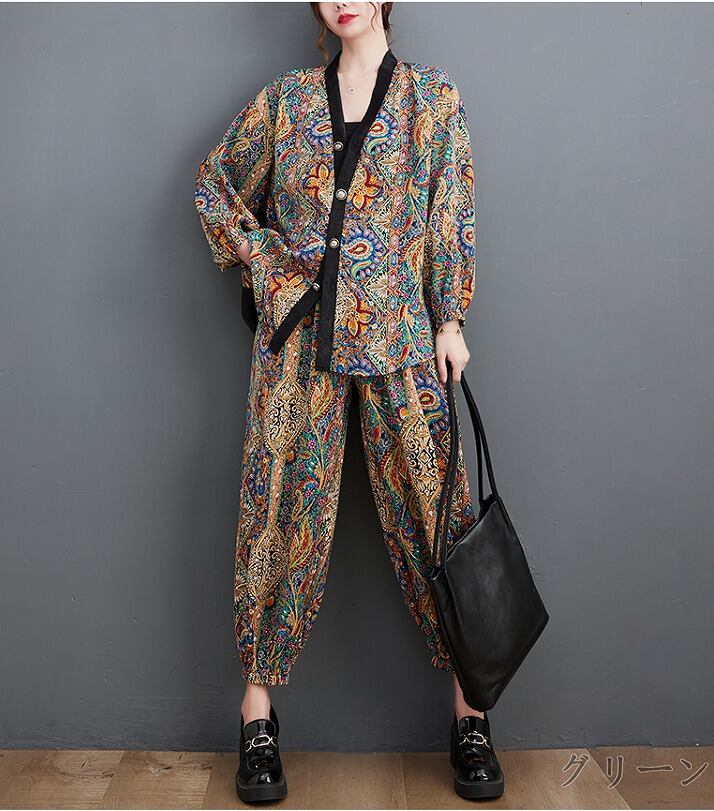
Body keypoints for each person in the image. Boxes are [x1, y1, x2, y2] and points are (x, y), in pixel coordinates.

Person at [194, 1, 504, 802]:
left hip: (401, 338)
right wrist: (273, 271)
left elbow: (449, 211)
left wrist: (450, 319)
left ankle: (471, 713)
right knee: (276, 516)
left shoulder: (432, 98)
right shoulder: (288, 100)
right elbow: (214, 186)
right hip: (299, 345)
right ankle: (256, 717)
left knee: (438, 517)